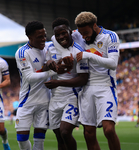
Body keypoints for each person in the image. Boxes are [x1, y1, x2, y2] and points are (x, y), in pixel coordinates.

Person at [73, 12, 121, 150]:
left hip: (106, 86)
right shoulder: (78, 34)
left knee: (109, 130)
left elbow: (112, 63)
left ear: (94, 25)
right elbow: (58, 36)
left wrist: (88, 55)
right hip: (86, 88)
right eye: (81, 33)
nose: (83, 36)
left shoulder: (110, 36)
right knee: (88, 134)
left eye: (86, 32)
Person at [44, 17, 89, 150]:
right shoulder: (51, 47)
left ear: (70, 31)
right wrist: (49, 64)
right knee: (59, 136)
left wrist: (58, 82)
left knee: (65, 131)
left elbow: (83, 78)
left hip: (72, 97)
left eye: (63, 33)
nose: (61, 36)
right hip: (55, 97)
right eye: (57, 35)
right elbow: (46, 66)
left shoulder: (78, 51)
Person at [15, 21, 57, 150]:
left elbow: (61, 39)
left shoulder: (48, 47)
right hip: (27, 101)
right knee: (22, 139)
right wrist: (52, 71)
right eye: (40, 37)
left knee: (39, 140)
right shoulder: (22, 53)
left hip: (45, 101)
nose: (44, 39)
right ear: (30, 37)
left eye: (44, 35)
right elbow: (29, 77)